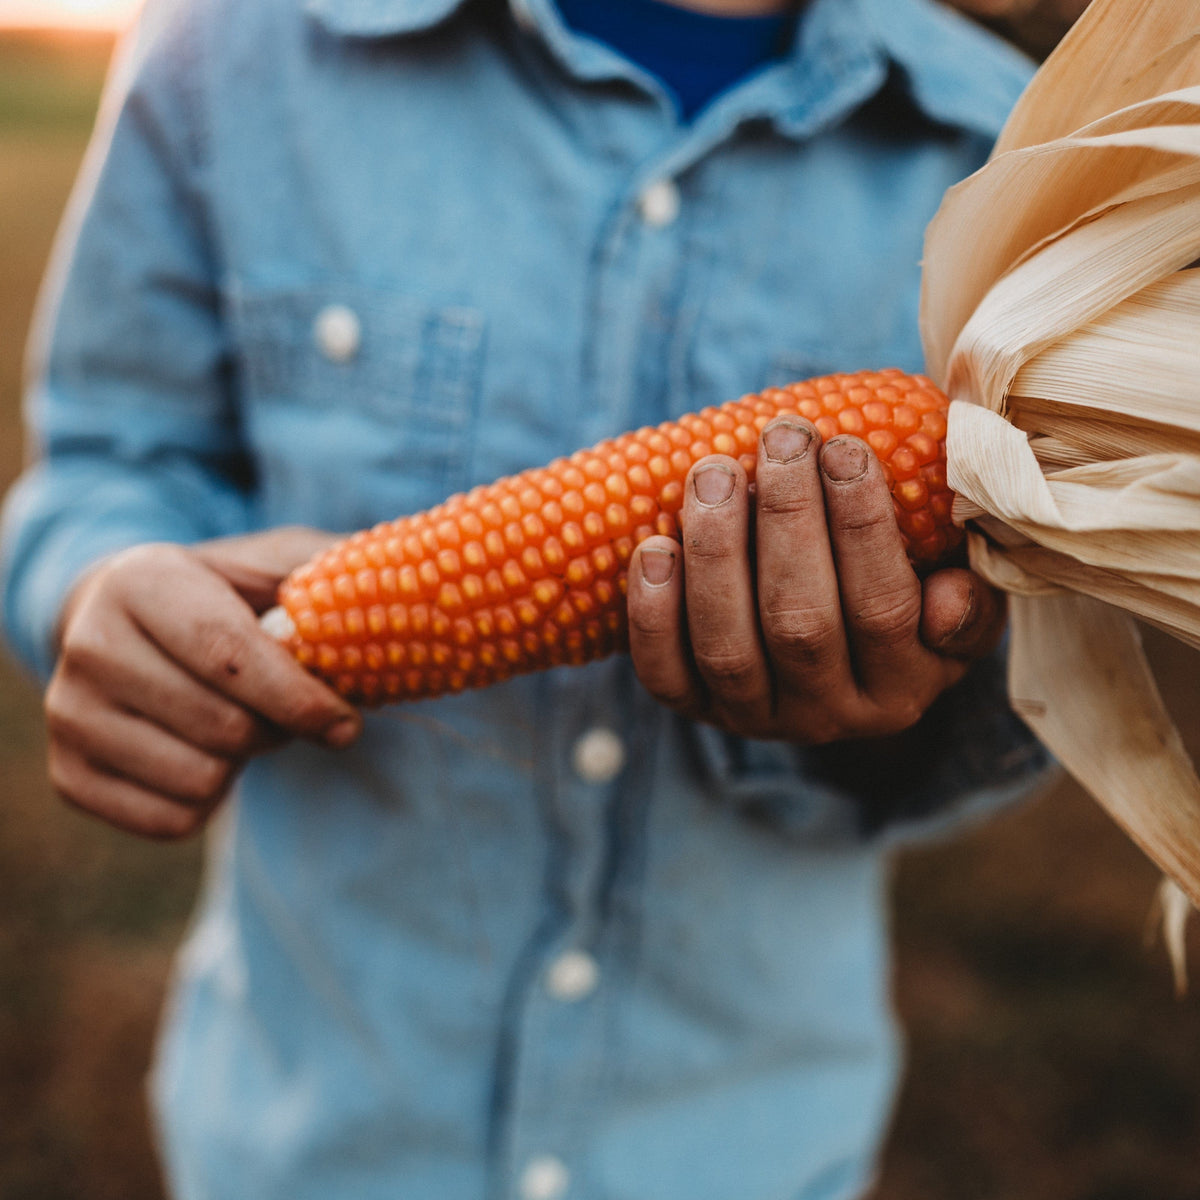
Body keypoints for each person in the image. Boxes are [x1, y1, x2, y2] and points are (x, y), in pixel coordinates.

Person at [0, 0, 1054, 1195]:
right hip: (314, 1140)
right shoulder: (236, 47)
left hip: (745, 1147)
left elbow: (1039, 659)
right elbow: (110, 455)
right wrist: (89, 580)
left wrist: (913, 712)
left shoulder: (1003, 155)